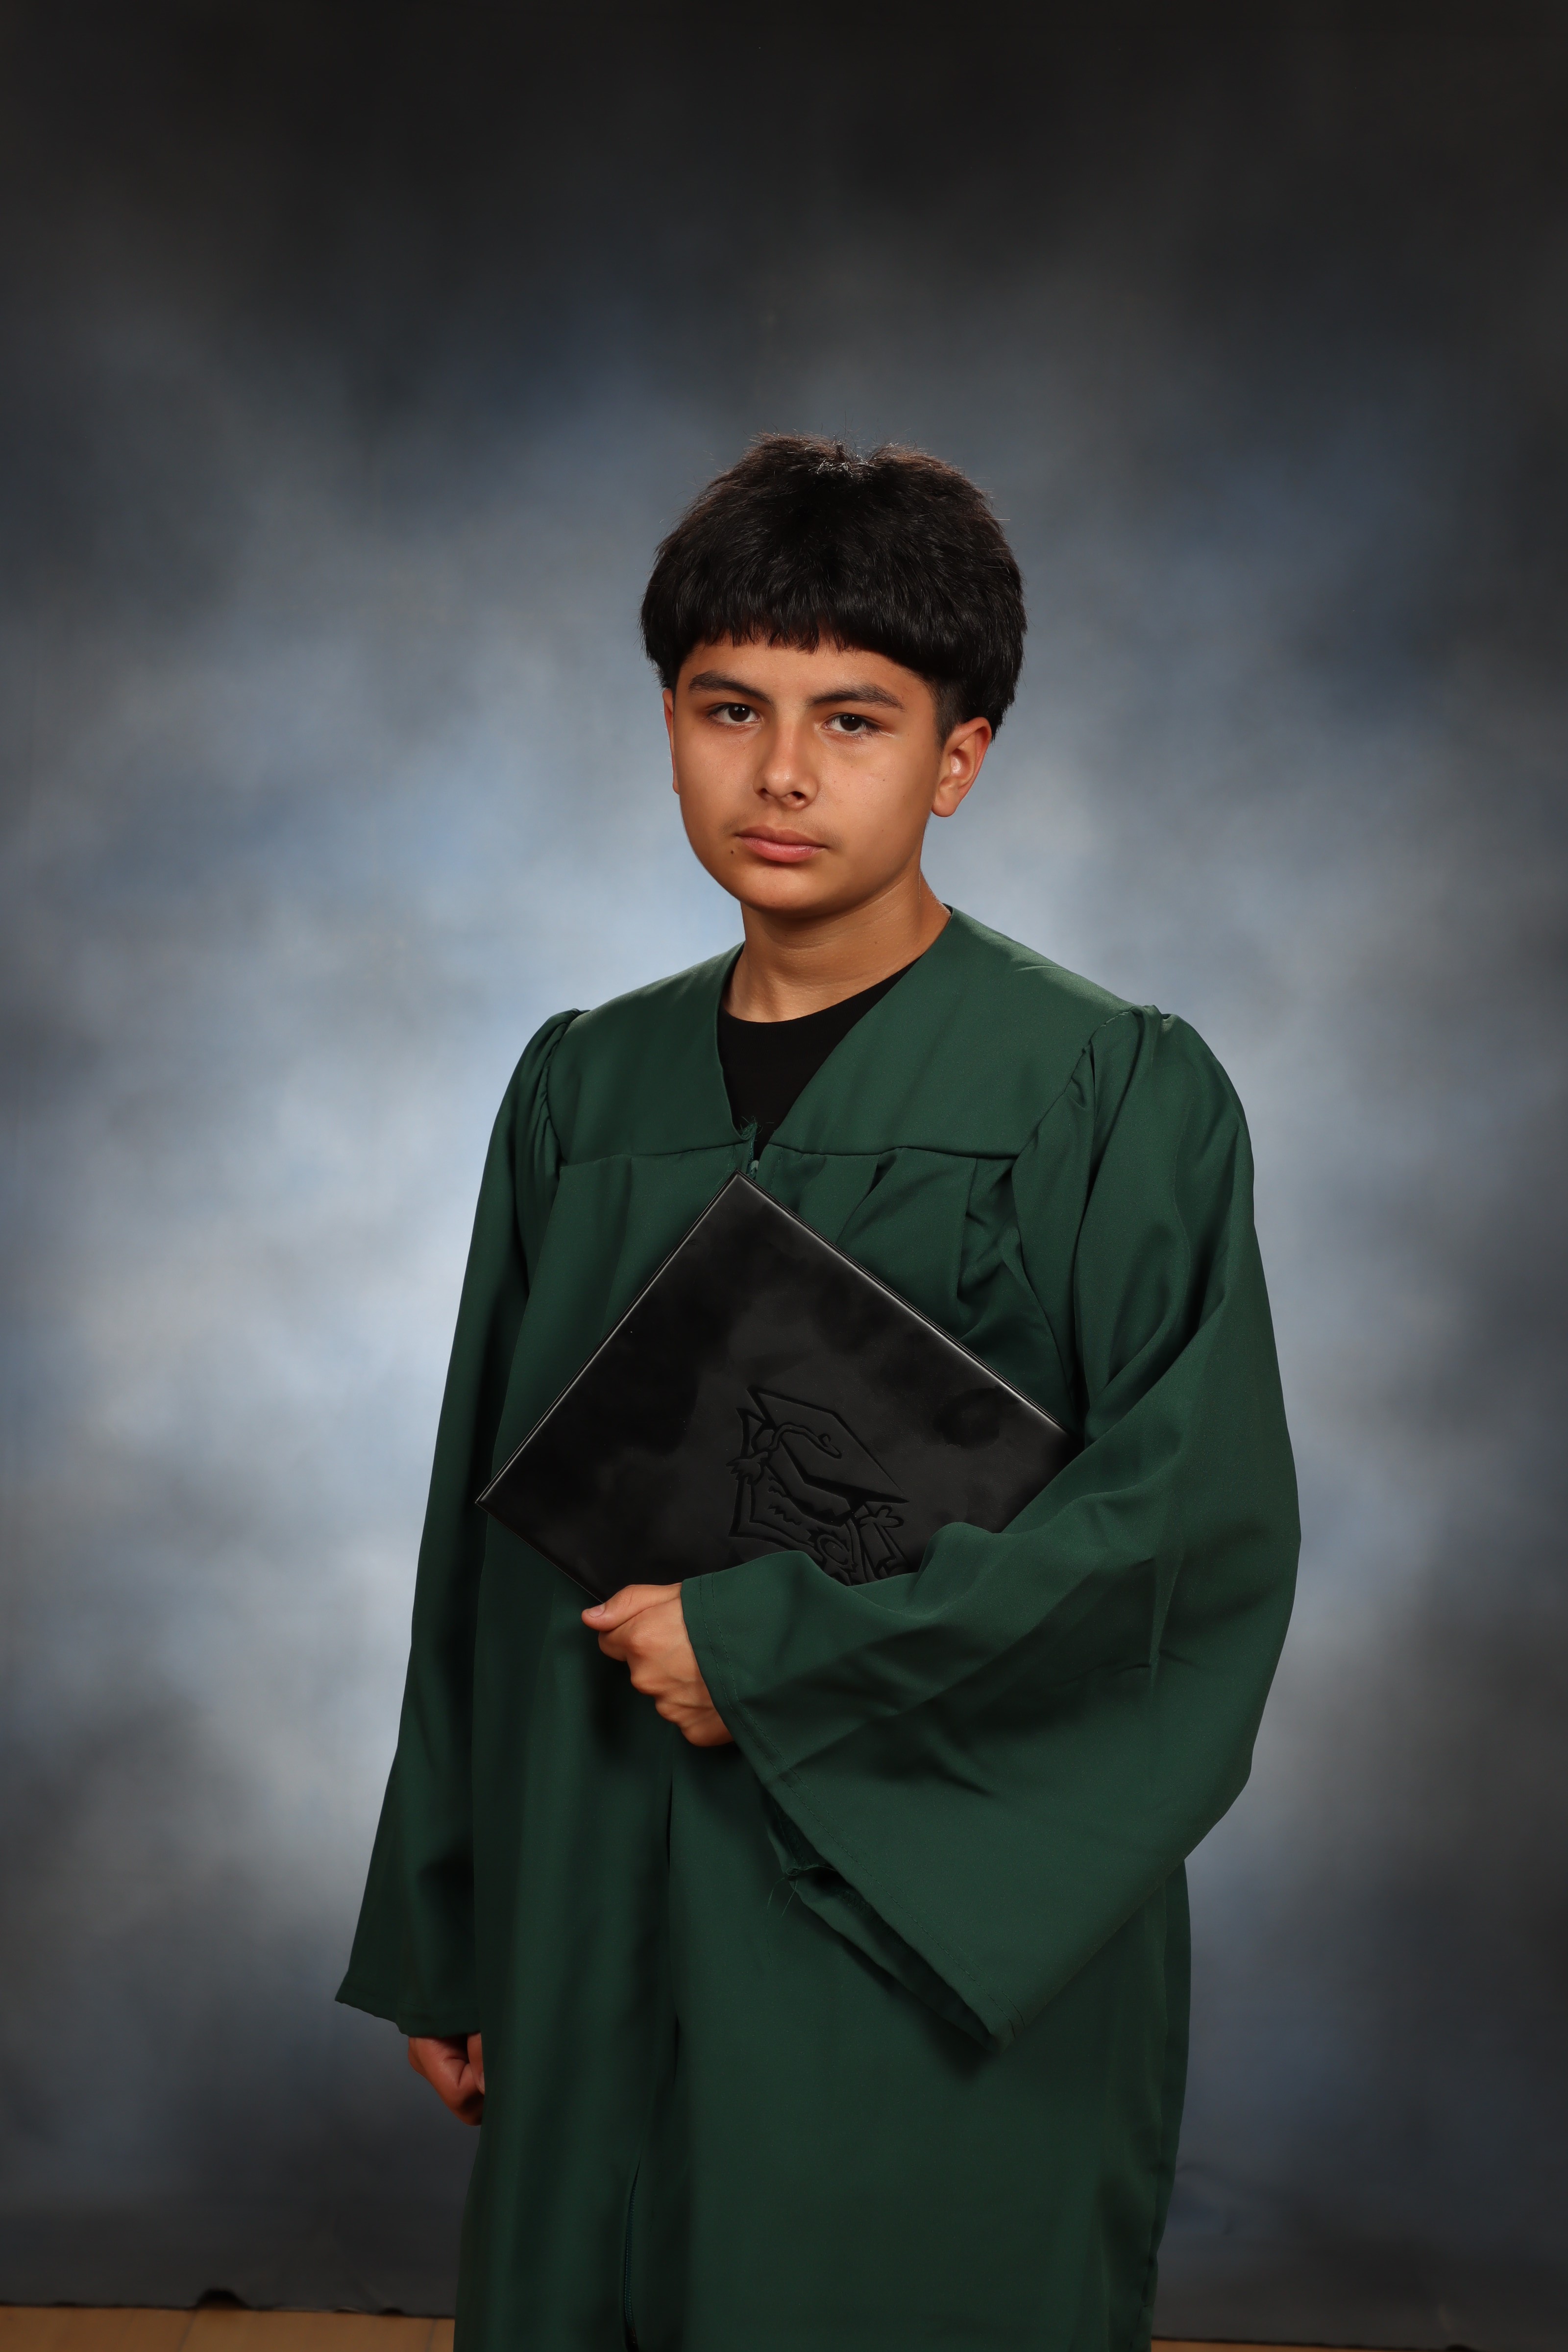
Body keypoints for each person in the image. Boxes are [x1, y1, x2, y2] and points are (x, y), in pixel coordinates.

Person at [338, 435, 1299, 2352]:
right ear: (669, 727)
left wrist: (768, 1649)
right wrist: (448, 1923)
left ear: (959, 757)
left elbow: (1179, 1545)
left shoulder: (1110, 1093)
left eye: (853, 719)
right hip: (589, 1881)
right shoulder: (581, 1092)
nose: (779, 774)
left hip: (920, 1914)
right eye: (729, 709)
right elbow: (482, 1543)